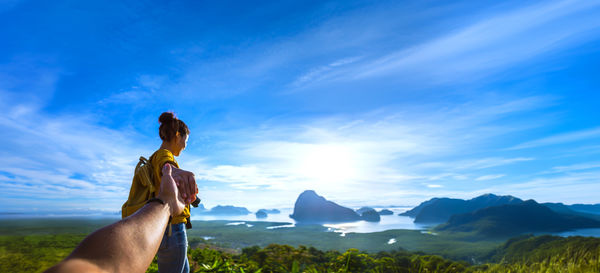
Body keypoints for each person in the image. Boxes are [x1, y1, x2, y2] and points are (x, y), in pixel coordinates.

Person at [45, 163, 190, 273]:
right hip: (170, 227)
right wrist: (168, 202)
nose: (185, 144)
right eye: (185, 139)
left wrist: (167, 204)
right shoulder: (165, 155)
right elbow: (165, 162)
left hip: (158, 223)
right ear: (177, 135)